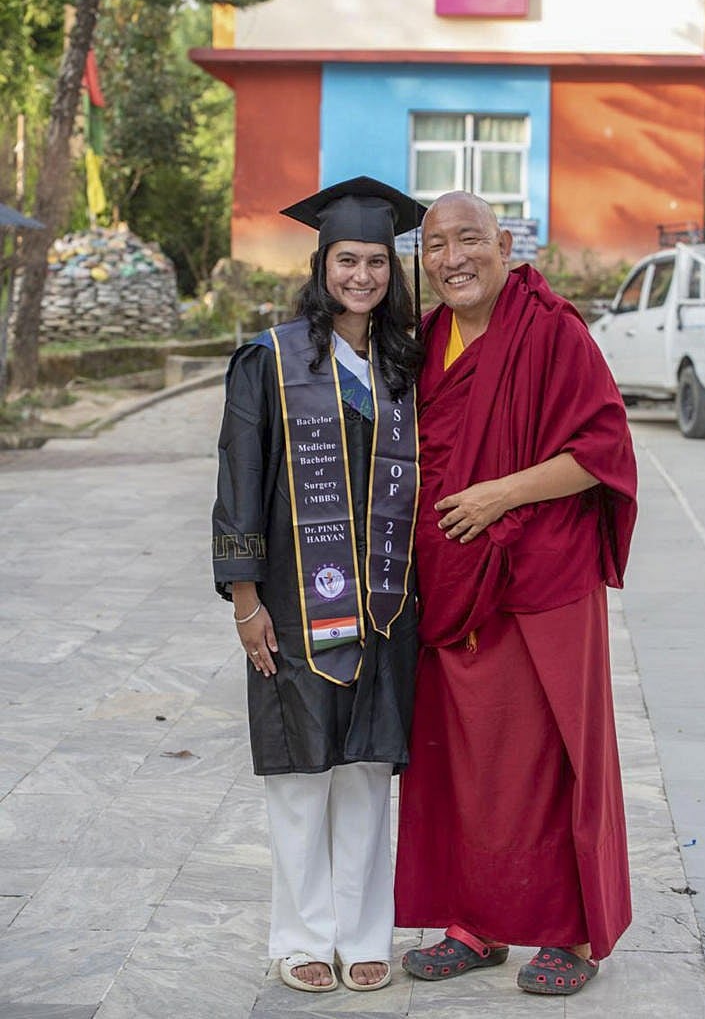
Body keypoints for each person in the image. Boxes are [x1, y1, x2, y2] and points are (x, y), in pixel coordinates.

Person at [394, 191, 638, 996]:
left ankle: (570, 932)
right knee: (468, 758)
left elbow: (601, 451)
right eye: (436, 245)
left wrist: (504, 494)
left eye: (470, 239)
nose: (453, 258)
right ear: (421, 260)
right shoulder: (427, 342)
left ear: (505, 244)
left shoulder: (551, 329)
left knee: (552, 754)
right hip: (454, 584)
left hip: (541, 579)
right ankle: (475, 921)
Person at [212, 177, 425, 994]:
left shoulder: (401, 366)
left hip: (385, 600)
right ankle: (299, 934)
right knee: (304, 770)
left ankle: (365, 931)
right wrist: (245, 600)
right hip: (297, 604)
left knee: (369, 766)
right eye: (348, 259)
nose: (362, 275)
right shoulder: (271, 359)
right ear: (322, 263)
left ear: (389, 269)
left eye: (376, 260)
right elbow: (239, 478)